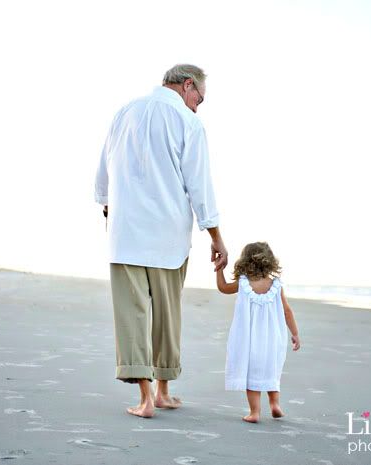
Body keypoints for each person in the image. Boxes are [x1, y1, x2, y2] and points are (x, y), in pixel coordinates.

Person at [94, 64, 228, 418]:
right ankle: (163, 391)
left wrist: (111, 214)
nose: (199, 105)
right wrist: (215, 236)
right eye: (200, 97)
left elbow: (104, 172)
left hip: (125, 236)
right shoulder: (189, 123)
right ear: (187, 86)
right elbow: (199, 186)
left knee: (132, 316)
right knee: (168, 314)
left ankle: (147, 399)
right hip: (168, 236)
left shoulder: (125, 112)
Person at [216, 242, 300, 423]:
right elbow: (287, 311)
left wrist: (218, 269)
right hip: (273, 338)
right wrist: (295, 333)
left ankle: (254, 412)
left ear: (244, 261)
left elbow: (223, 288)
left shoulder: (243, 284)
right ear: (270, 261)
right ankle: (275, 404)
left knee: (252, 374)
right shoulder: (276, 285)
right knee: (271, 371)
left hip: (249, 339)